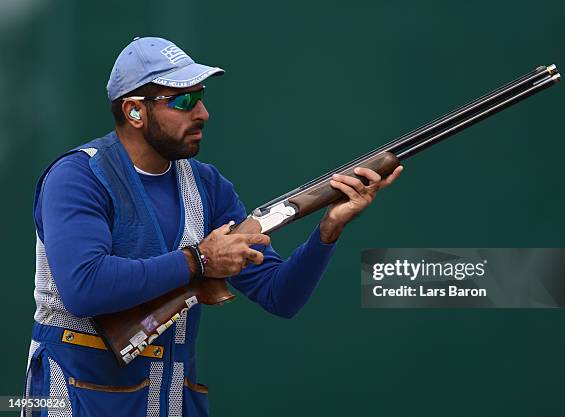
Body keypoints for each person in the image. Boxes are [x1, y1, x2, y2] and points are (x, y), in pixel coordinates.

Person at [23, 36, 402, 417]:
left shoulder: (207, 185)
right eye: (183, 100)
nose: (203, 112)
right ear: (135, 111)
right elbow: (85, 287)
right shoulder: (77, 178)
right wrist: (199, 261)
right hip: (76, 404)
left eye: (200, 96)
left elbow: (280, 295)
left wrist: (328, 230)